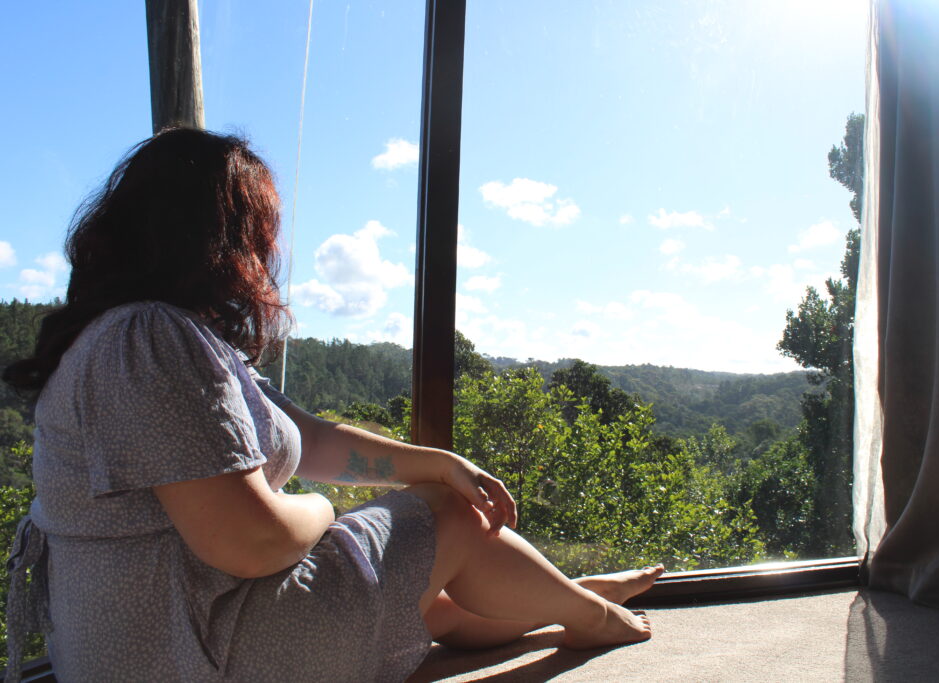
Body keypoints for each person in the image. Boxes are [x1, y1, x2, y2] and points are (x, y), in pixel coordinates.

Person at [2, 128, 663, 682]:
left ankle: (567, 598)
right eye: (262, 232)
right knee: (448, 516)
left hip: (178, 637)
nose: (270, 253)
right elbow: (252, 540)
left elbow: (311, 437)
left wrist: (436, 462)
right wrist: (325, 511)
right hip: (187, 653)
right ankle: (588, 615)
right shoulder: (148, 338)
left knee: (430, 599)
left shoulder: (159, 337)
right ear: (220, 236)